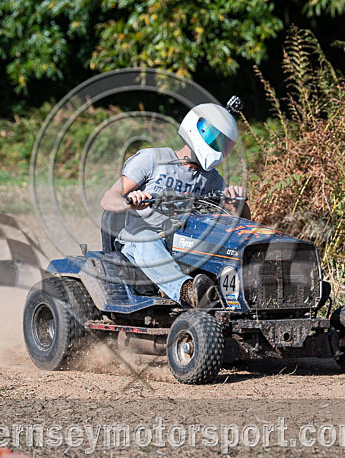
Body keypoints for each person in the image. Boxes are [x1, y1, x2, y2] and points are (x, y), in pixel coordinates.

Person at [100, 101, 251, 307]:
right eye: (214, 140)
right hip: (140, 240)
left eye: (224, 145)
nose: (219, 148)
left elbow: (238, 228)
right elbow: (109, 198)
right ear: (197, 128)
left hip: (183, 243)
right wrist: (130, 202)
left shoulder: (212, 179)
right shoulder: (152, 159)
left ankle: (242, 302)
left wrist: (236, 204)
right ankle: (189, 291)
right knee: (147, 239)